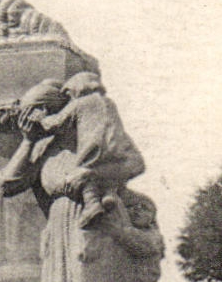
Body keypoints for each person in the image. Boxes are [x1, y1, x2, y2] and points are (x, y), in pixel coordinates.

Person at [0, 78, 148, 282]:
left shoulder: (93, 127)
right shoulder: (43, 146)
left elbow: (135, 164)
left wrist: (93, 175)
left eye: (37, 113)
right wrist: (28, 141)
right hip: (61, 225)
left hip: (96, 225)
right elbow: (8, 183)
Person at [36, 71, 146, 228]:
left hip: (92, 148)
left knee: (84, 172)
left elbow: (56, 123)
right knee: (102, 172)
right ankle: (109, 194)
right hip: (114, 147)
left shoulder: (80, 103)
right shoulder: (109, 103)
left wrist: (41, 119)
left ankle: (92, 204)